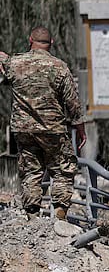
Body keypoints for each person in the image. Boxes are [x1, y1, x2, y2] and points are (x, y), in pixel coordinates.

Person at [0, 26, 86, 220]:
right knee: (63, 168)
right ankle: (60, 211)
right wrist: (81, 129)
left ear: (30, 40)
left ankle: (32, 214)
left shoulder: (14, 63)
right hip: (52, 129)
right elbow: (73, 103)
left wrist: (4, 59)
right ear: (51, 43)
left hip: (23, 129)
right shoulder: (60, 67)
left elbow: (3, 59)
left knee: (31, 170)